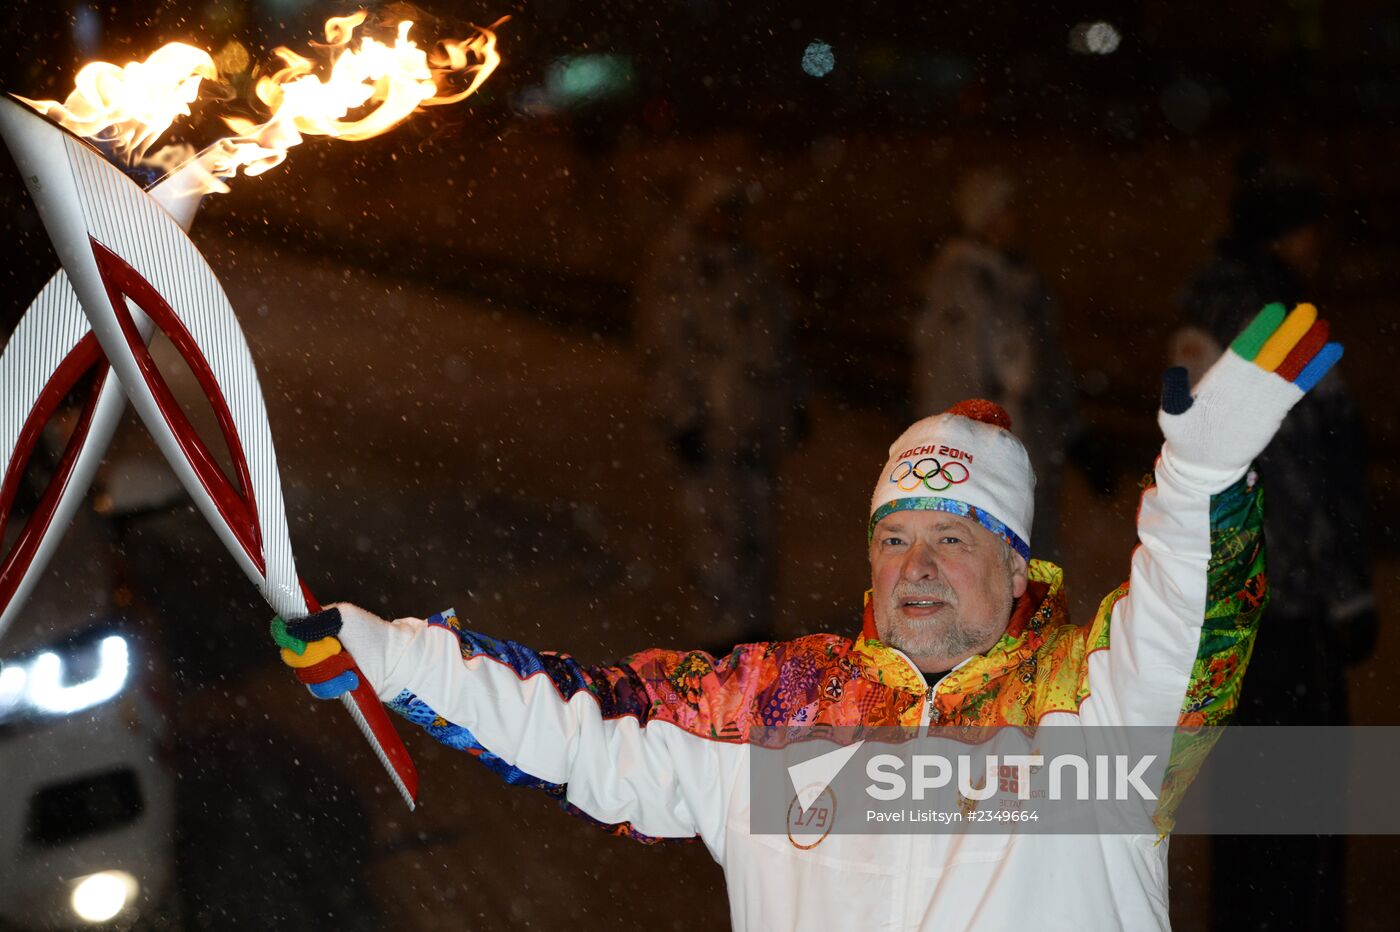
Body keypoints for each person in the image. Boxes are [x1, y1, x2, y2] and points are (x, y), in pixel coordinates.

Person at [274, 307, 1340, 930]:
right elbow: (581, 725)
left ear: (1017, 569)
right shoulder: (771, 707)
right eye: (891, 537)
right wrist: (390, 652)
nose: (914, 567)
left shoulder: (1096, 706)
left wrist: (1201, 472)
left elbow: (1186, 617)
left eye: (952, 538)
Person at [1176, 157, 1375, 930]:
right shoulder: (1279, 318)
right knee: (1302, 804)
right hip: (1288, 602)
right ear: (1290, 233)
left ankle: (1248, 912)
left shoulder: (1204, 304)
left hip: (1230, 597)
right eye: (1312, 226)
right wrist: (1344, 589)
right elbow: (1313, 462)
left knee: (1247, 800)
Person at [634, 175, 807, 645]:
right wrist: (680, 417)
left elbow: (780, 347)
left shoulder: (754, 271)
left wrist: (792, 406)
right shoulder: (681, 272)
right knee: (712, 539)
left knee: (757, 534)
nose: (729, 220)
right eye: (721, 209)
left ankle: (752, 630)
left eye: (735, 211)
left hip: (753, 429)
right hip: (708, 431)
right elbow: (664, 350)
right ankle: (716, 636)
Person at [912, 168, 1089, 562]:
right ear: (984, 216)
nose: (1017, 219)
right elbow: (950, 377)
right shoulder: (962, 282)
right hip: (985, 465)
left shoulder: (1026, 283)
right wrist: (960, 453)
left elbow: (1050, 368)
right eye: (1007, 209)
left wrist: (1074, 434)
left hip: (1032, 456)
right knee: (990, 570)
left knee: (1035, 568)